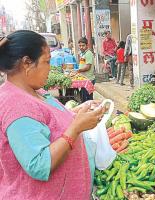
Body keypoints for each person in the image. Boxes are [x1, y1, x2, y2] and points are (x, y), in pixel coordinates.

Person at [0, 30, 106, 199]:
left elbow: (47, 123)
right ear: (26, 63)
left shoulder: (34, 91)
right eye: (47, 62)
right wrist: (76, 128)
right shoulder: (16, 106)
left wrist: (78, 111)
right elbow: (39, 164)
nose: (50, 68)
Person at [77, 37, 96, 102]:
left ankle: (91, 111)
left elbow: (88, 67)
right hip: (84, 79)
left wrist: (79, 71)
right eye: (80, 46)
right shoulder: (83, 54)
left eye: (83, 45)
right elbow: (82, 64)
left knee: (88, 100)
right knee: (84, 99)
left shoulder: (88, 54)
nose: (81, 47)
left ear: (87, 45)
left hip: (89, 80)